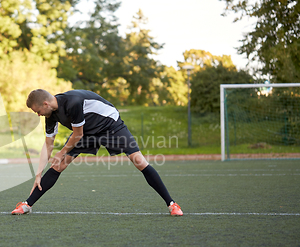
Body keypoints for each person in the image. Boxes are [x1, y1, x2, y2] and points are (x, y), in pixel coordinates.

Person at [11, 89, 183, 216]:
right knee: (59, 165)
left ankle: (172, 204)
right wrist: (38, 173)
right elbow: (48, 144)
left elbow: (77, 134)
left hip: (110, 125)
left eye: (38, 111)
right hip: (87, 131)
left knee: (138, 161)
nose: (39, 115)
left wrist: (62, 151)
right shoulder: (51, 116)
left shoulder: (73, 102)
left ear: (45, 104)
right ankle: (27, 204)